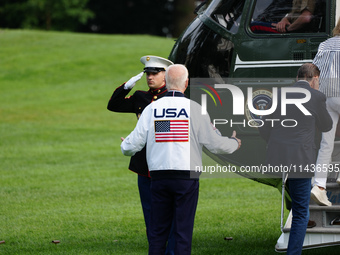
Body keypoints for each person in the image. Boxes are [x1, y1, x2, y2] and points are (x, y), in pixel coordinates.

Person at [120, 64, 241, 255]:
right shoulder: (194, 109)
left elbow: (130, 146)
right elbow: (215, 143)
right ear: (186, 83)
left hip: (159, 177)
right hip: (186, 177)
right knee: (182, 232)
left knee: (157, 232)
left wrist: (125, 144)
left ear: (166, 83)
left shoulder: (152, 109)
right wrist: (233, 143)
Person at [259, 63, 332, 255]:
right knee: (301, 212)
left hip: (277, 157)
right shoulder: (316, 96)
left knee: (296, 201)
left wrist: (275, 142)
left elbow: (263, 126)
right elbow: (327, 125)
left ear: (298, 77)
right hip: (301, 158)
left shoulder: (279, 94)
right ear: (315, 78)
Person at [107, 55, 175, 253]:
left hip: (165, 162)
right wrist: (127, 85)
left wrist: (139, 136)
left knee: (170, 211)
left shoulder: (172, 98)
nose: (150, 77)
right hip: (144, 165)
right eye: (148, 73)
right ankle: (155, 248)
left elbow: (169, 128)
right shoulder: (140, 97)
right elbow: (114, 105)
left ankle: (171, 248)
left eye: (155, 73)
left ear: (166, 75)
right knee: (150, 213)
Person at [310, 17, 340, 206]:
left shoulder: (325, 44)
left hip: (327, 97)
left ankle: (319, 186)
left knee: (326, 143)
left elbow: (314, 71)